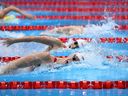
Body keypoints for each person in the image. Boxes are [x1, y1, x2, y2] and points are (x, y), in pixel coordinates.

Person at [0, 51, 85, 75]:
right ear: (71, 55)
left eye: (76, 61)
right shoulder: (46, 57)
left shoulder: (58, 69)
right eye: (74, 58)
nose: (72, 61)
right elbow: (15, 64)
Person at [3, 36, 88, 51]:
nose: (74, 46)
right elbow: (34, 38)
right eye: (76, 43)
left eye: (77, 46)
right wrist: (14, 40)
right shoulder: (57, 43)